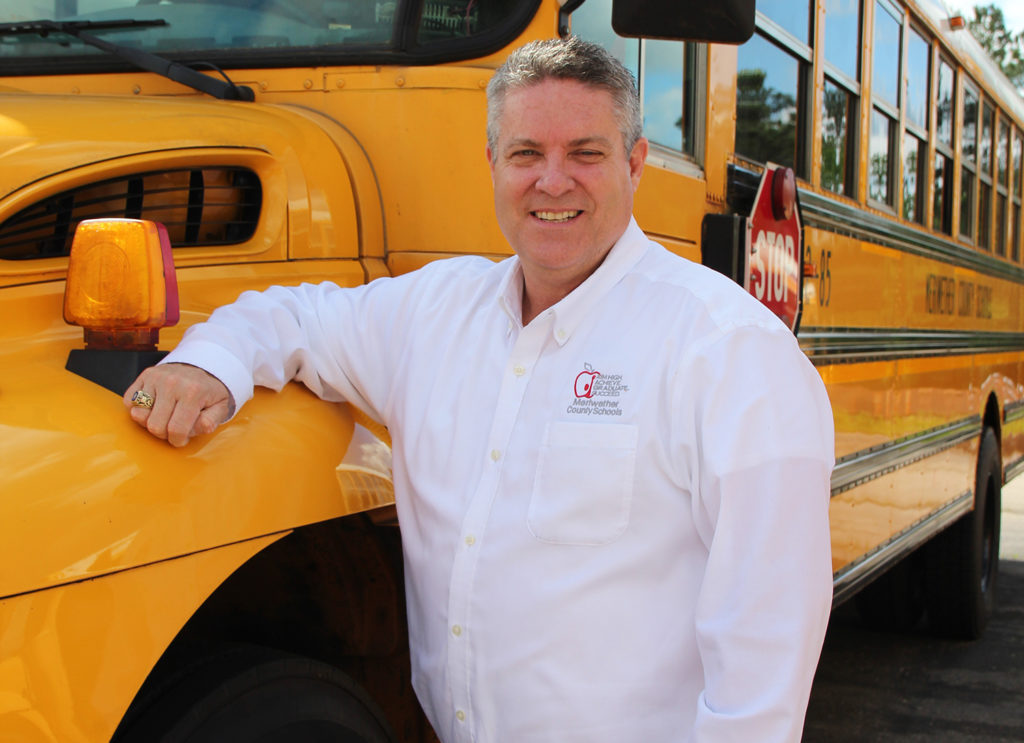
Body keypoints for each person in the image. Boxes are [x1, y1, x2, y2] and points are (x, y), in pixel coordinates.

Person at [125, 36, 834, 743]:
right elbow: (294, 313)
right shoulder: (435, 312)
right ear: (492, 164)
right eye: (527, 153)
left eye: (585, 153)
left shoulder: (729, 350)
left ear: (635, 163)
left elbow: (766, 633)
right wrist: (209, 363)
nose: (553, 181)